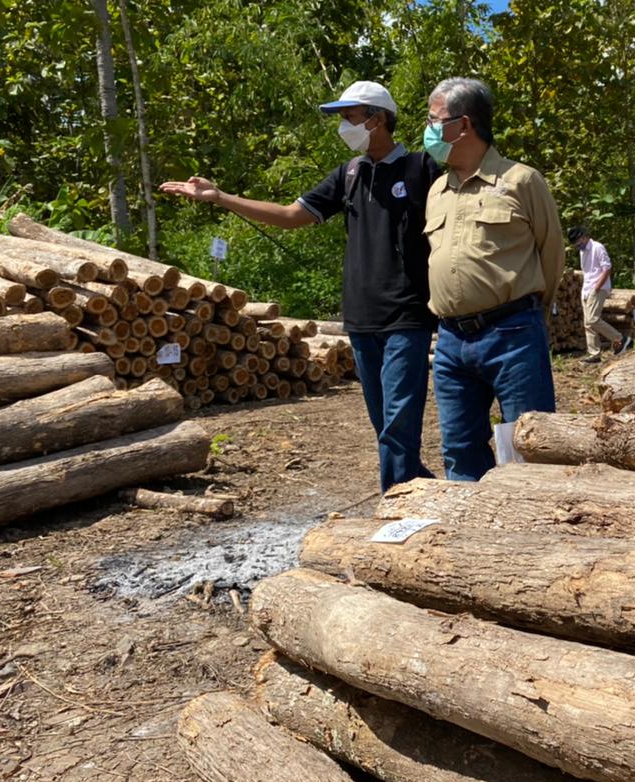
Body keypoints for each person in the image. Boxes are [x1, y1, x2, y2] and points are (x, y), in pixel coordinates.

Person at [158, 80, 440, 493]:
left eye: (349, 117)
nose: (344, 126)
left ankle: (394, 506)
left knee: (399, 424)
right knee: (385, 425)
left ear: (377, 119)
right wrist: (220, 197)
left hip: (408, 317)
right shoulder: (349, 174)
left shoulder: (421, 169)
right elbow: (291, 215)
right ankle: (422, 492)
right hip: (361, 319)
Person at [422, 76, 565, 481]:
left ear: (462, 125)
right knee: (460, 448)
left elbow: (551, 255)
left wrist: (533, 319)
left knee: (527, 444)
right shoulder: (437, 191)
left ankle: (531, 535)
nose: (428, 130)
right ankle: (475, 536)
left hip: (512, 333)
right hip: (450, 342)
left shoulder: (521, 181)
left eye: (434, 120)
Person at [569, 225, 631, 364]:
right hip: (587, 289)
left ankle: (620, 338)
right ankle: (594, 354)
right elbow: (587, 271)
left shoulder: (597, 247)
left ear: (584, 237)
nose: (578, 246)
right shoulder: (582, 252)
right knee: (588, 324)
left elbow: (607, 268)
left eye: (579, 242)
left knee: (592, 319)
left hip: (598, 288)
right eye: (575, 244)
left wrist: (597, 287)